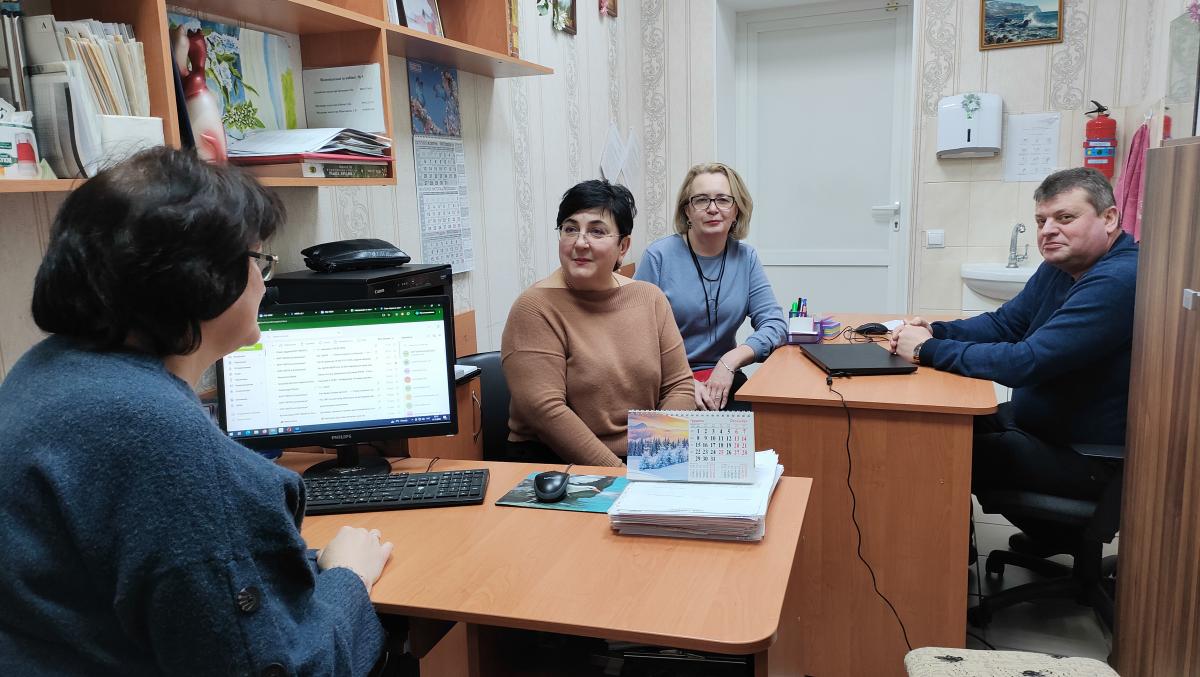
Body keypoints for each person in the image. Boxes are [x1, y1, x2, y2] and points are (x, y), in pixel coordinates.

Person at [0, 148, 394, 676]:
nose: (263, 283)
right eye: (257, 261)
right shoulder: (159, 439)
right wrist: (349, 578)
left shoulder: (39, 374)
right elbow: (284, 668)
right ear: (201, 279)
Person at [890, 167, 1137, 551]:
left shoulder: (1118, 279)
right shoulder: (1062, 267)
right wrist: (937, 331)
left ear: (1109, 218)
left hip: (1087, 457)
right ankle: (1049, 536)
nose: (1048, 230)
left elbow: (1026, 362)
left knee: (934, 447)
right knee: (936, 423)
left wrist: (926, 349)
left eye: (1065, 218)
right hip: (1044, 429)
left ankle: (944, 569)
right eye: (1041, 220)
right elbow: (1005, 324)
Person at [502, 179, 695, 466]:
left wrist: (658, 463)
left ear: (623, 246)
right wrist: (621, 475)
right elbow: (545, 411)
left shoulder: (649, 298)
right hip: (556, 462)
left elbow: (679, 386)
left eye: (597, 231)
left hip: (644, 455)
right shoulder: (534, 307)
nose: (580, 242)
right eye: (570, 229)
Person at [636, 163, 787, 410]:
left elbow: (775, 324)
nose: (713, 208)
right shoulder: (658, 256)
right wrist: (682, 380)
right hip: (665, 380)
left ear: (737, 210)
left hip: (723, 376)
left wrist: (730, 361)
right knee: (676, 434)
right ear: (687, 211)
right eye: (701, 200)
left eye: (723, 200)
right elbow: (636, 336)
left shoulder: (746, 258)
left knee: (762, 425)